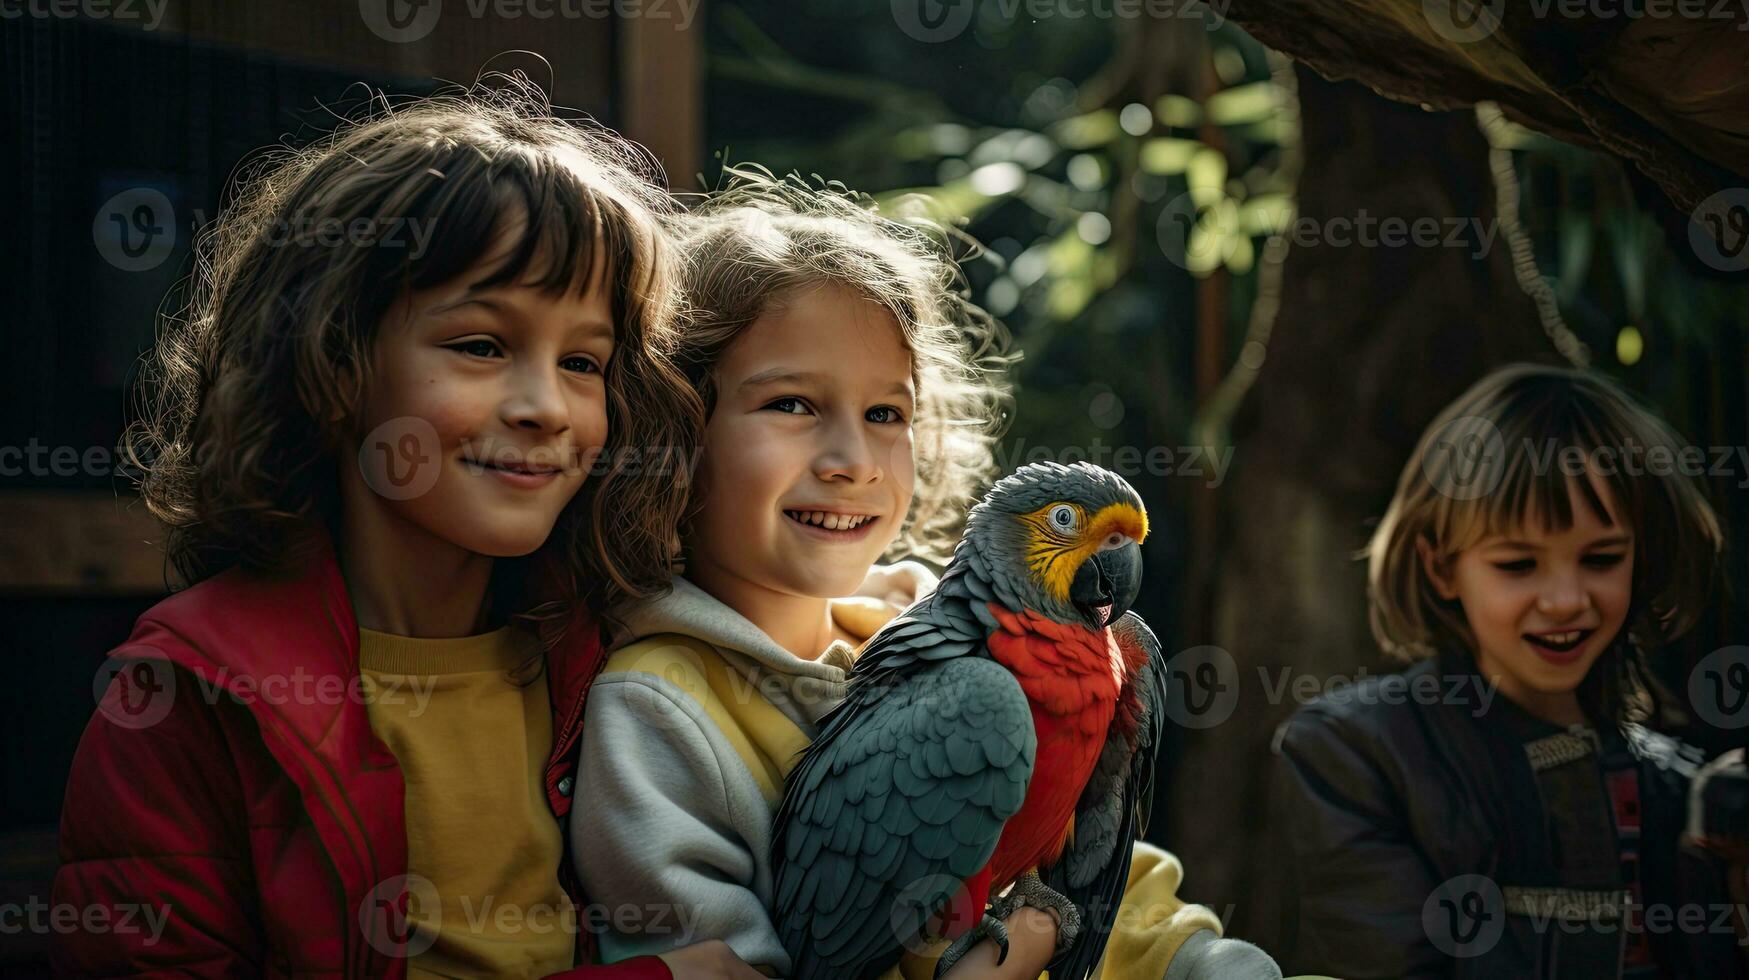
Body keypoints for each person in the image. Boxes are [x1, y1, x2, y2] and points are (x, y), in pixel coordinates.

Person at [52, 79, 761, 979]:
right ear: (333, 357)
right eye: (481, 346)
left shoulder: (618, 654)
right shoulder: (182, 703)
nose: (548, 407)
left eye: (583, 361)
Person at [573, 171, 1282, 980]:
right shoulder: (657, 707)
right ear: (674, 425)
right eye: (793, 405)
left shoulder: (932, 628)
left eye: (886, 415)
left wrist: (1193, 956)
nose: (850, 463)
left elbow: (1092, 855)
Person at [1271, 363, 1741, 978]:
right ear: (1442, 569)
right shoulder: (1356, 757)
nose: (1566, 600)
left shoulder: (1681, 789)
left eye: (1601, 558)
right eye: (1518, 565)